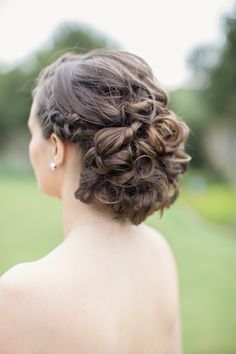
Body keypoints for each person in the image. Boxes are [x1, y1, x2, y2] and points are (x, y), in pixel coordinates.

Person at [0, 48, 191, 354]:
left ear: (55, 149)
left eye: (31, 133)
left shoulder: (22, 292)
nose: (30, 146)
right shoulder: (158, 252)